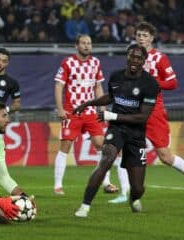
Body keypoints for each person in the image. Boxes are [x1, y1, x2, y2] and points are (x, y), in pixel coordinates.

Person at [108, 22, 184, 204]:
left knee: (165, 156)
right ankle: (125, 192)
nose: (141, 38)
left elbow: (172, 83)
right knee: (122, 150)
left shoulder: (159, 58)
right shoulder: (132, 57)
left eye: (144, 36)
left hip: (154, 111)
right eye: (138, 35)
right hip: (131, 109)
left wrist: (152, 83)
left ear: (152, 38)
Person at [74, 44, 160, 217]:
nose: (134, 60)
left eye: (138, 58)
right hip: (117, 129)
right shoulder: (116, 77)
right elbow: (112, 97)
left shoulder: (150, 84)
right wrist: (89, 103)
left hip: (136, 135)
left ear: (144, 61)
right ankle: (85, 206)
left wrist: (111, 116)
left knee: (138, 188)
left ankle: (134, 198)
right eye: (131, 56)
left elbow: (142, 117)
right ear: (127, 57)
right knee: (106, 159)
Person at [53, 34, 118, 195]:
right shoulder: (68, 62)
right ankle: (58, 185)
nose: (87, 46)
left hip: (90, 111)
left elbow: (98, 87)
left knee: (102, 146)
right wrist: (60, 109)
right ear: (77, 45)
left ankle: (106, 183)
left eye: (89, 43)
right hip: (72, 111)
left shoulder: (95, 63)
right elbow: (59, 86)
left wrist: (102, 108)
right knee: (65, 146)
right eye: (83, 43)